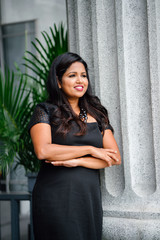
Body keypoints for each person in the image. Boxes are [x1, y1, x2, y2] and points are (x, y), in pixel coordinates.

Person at [28, 52, 121, 240]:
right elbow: (43, 150)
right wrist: (91, 150)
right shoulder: (46, 110)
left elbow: (114, 158)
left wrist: (77, 161)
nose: (80, 80)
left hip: (87, 197)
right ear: (58, 81)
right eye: (72, 75)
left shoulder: (94, 113)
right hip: (56, 196)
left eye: (83, 75)